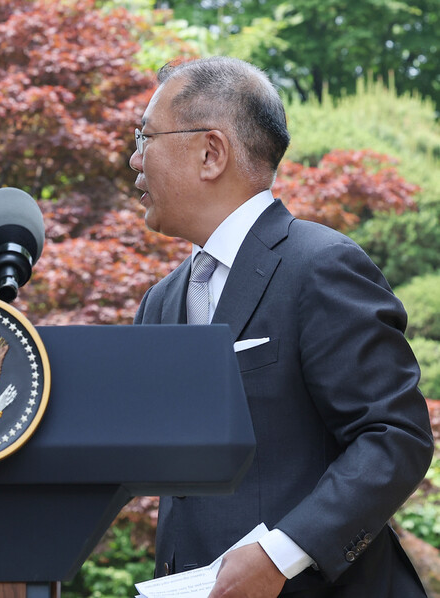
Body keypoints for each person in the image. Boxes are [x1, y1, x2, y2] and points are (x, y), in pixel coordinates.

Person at [131, 56, 434, 597]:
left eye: (145, 137)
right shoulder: (161, 301)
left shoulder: (321, 265)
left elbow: (394, 436)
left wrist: (281, 556)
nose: (135, 159)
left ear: (211, 152)